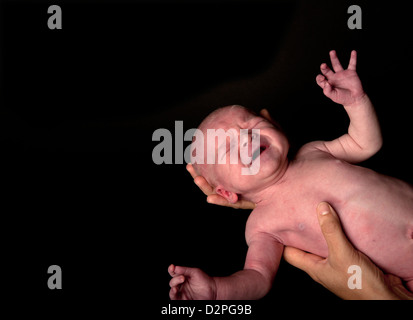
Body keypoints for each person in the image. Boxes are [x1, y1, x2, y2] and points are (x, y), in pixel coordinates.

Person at [168, 50, 413, 300]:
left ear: (275, 125)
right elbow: (258, 276)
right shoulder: (262, 225)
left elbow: (367, 143)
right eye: (228, 147)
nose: (245, 138)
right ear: (226, 192)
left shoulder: (314, 152)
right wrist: (217, 290)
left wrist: (356, 102)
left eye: (249, 124)